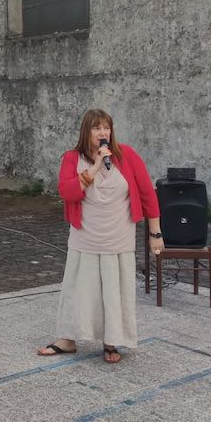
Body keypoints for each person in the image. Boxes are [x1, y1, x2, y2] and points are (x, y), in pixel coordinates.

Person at [37, 109, 164, 363]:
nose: (103, 132)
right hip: (85, 236)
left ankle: (111, 341)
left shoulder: (127, 155)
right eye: (97, 128)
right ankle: (67, 339)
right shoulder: (72, 158)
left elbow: (148, 194)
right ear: (87, 131)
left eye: (106, 127)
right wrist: (95, 167)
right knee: (78, 290)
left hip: (118, 237)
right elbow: (67, 192)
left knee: (114, 292)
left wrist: (155, 233)